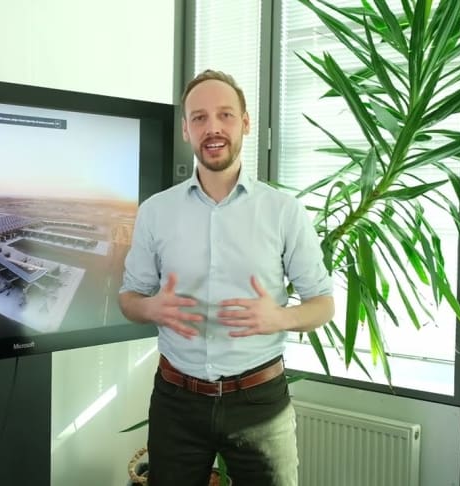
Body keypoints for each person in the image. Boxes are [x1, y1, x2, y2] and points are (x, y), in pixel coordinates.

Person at [118, 69, 335, 486]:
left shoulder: (284, 211)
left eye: (225, 115)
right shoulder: (156, 212)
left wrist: (280, 318)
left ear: (246, 123)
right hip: (177, 402)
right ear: (186, 129)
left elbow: (323, 303)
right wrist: (151, 308)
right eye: (199, 118)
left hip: (260, 403)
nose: (212, 127)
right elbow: (129, 299)